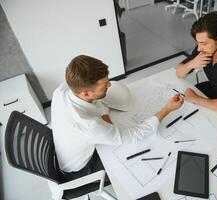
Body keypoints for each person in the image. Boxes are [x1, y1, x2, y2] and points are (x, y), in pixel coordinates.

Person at [51, 55, 184, 180]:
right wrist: (167, 109)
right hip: (80, 170)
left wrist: (104, 114)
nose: (110, 85)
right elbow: (135, 134)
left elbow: (97, 103)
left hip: (65, 152)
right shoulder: (90, 126)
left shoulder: (62, 90)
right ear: (85, 94)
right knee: (135, 158)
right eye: (105, 85)